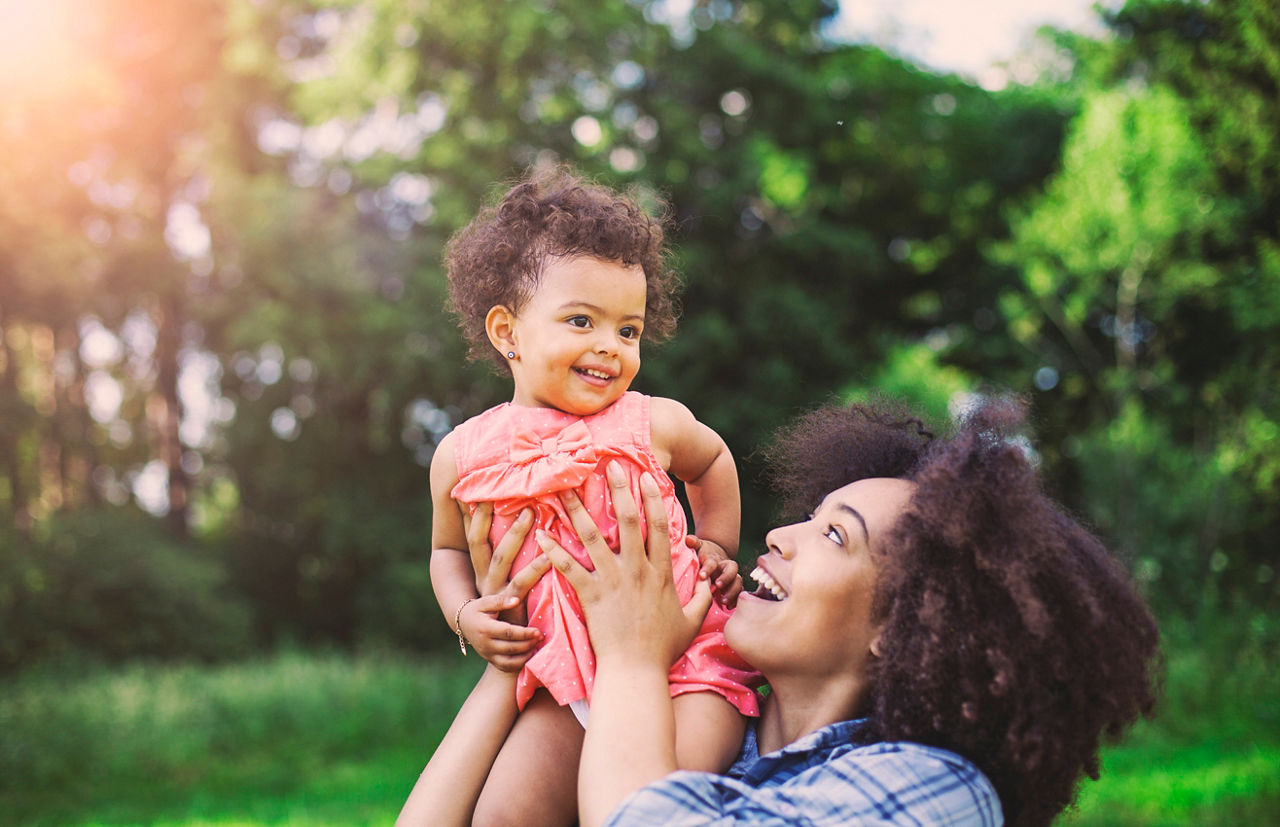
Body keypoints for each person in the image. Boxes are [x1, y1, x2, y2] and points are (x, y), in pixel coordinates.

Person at [404, 398, 1160, 826]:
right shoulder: (697, 731)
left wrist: (630, 653)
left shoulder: (942, 794)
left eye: (835, 534)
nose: (779, 535)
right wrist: (531, 631)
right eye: (811, 513)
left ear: (901, 626)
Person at [427, 166, 759, 825]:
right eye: (582, 320)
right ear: (507, 332)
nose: (610, 346)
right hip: (562, 675)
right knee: (503, 813)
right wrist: (467, 615)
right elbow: (444, 550)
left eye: (628, 330)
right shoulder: (463, 453)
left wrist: (717, 542)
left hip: (686, 658)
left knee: (659, 799)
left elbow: (714, 458)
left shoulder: (651, 421)